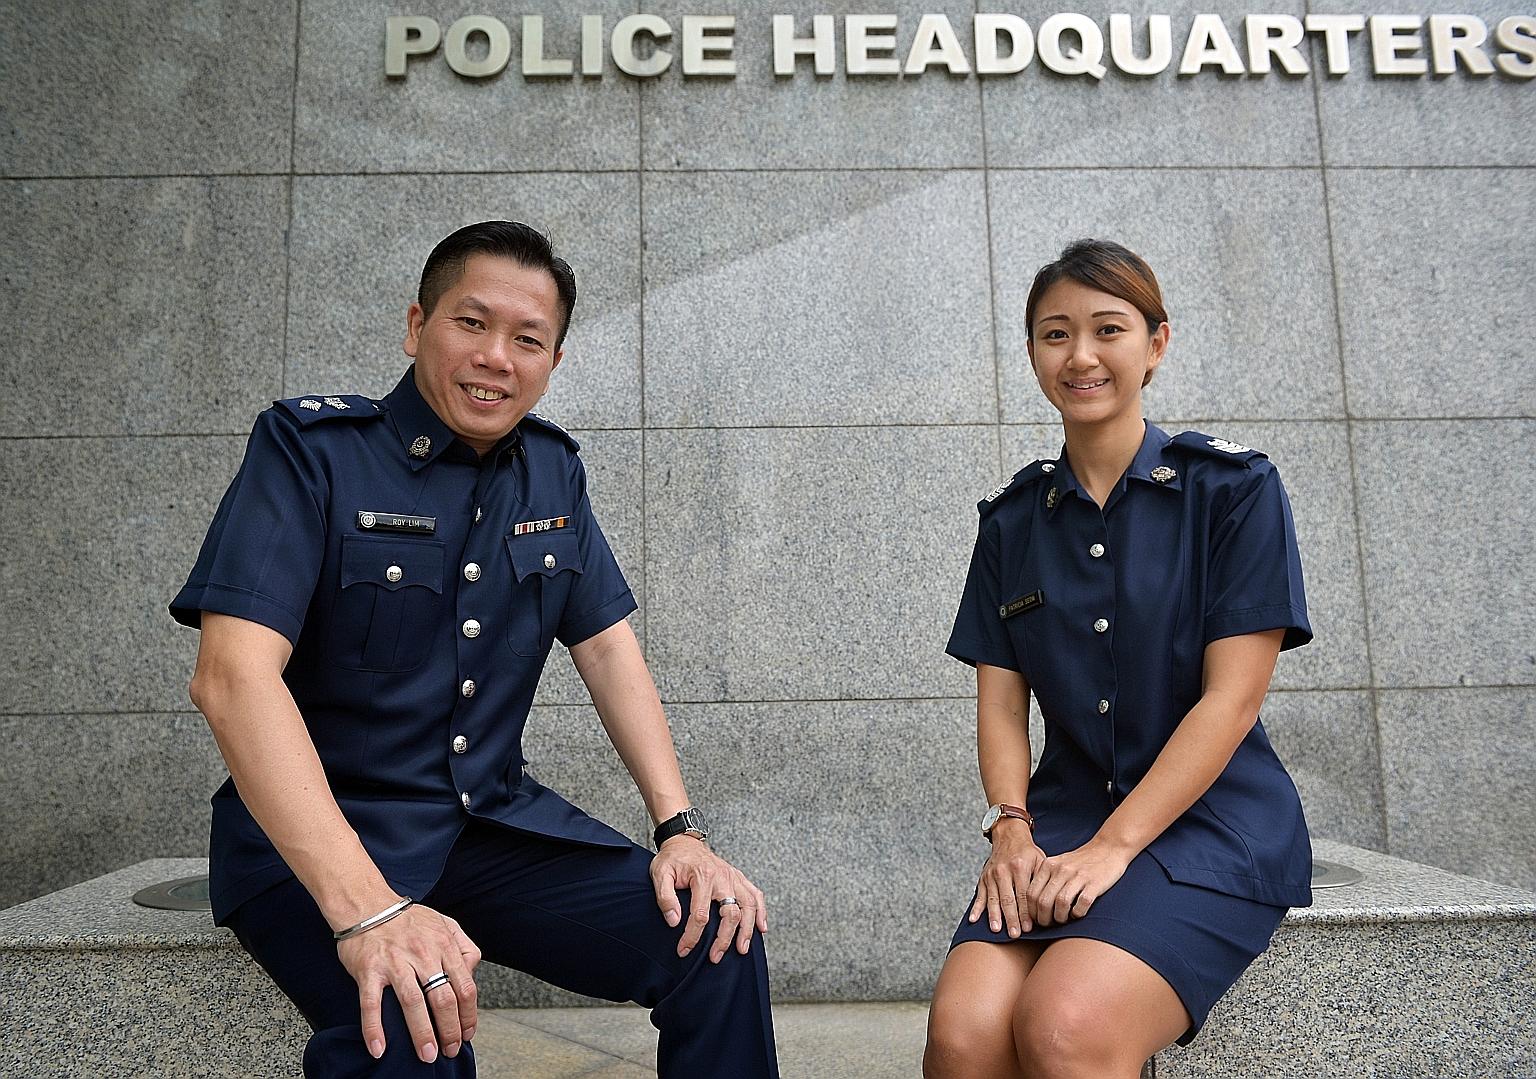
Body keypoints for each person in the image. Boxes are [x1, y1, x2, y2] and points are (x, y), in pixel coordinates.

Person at [171, 221, 779, 1077]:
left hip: (481, 826)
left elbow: (608, 649)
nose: (497, 356)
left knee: (714, 934)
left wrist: (680, 829)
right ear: (417, 325)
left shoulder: (553, 471)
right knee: (414, 1027)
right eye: (472, 323)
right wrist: (371, 911)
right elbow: (231, 678)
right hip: (318, 839)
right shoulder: (310, 452)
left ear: (554, 361)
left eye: (527, 339)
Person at [923, 239, 1313, 1078]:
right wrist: (1011, 829)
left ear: (1156, 344)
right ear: (1032, 353)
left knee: (1064, 1025)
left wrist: (1115, 846)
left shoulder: (1233, 492)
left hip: (1207, 826)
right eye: (1055, 334)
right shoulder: (1011, 523)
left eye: (1109, 328)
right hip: (1058, 826)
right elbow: (1000, 704)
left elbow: (1232, 701)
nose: (1083, 355)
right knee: (963, 1036)